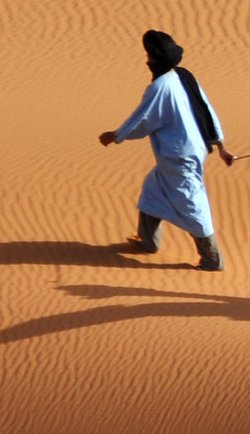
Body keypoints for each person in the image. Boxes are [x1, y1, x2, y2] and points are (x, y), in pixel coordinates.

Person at [99, 29, 234, 270]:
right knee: (153, 191)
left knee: (192, 205)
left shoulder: (160, 87)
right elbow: (207, 110)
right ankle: (148, 243)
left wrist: (116, 136)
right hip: (189, 151)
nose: (147, 61)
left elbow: (142, 120)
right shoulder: (183, 76)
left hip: (178, 158)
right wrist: (221, 146)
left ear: (156, 60)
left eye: (149, 57)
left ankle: (213, 261)